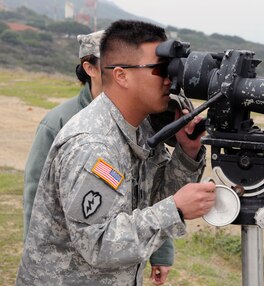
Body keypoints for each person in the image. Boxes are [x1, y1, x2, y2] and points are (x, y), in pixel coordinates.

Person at [15, 20, 216, 286]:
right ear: (121, 75)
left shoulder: (138, 128)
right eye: (159, 69)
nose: (169, 79)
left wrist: (187, 154)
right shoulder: (92, 145)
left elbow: (155, 197)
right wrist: (175, 210)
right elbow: (98, 243)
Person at [22, 30, 104, 240]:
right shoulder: (58, 121)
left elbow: (149, 190)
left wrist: (161, 253)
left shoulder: (136, 119)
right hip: (65, 250)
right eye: (112, 61)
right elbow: (35, 190)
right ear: (90, 67)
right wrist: (33, 251)